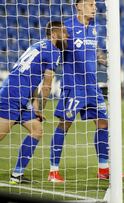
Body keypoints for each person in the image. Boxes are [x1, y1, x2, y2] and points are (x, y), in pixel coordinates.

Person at [48, 0, 109, 182]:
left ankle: (104, 170)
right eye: (90, 4)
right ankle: (53, 171)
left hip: (92, 86)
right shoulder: (66, 27)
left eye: (95, 4)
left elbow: (94, 50)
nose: (94, 7)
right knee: (64, 125)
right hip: (74, 86)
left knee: (103, 123)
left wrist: (103, 59)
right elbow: (54, 48)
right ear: (79, 6)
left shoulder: (94, 27)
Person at [0, 21, 68, 184]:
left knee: (36, 130)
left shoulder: (38, 45)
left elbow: (31, 78)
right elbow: (47, 84)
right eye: (64, 33)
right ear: (54, 35)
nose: (67, 36)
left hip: (18, 95)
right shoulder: (53, 51)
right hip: (13, 96)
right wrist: (42, 107)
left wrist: (35, 106)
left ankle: (17, 175)